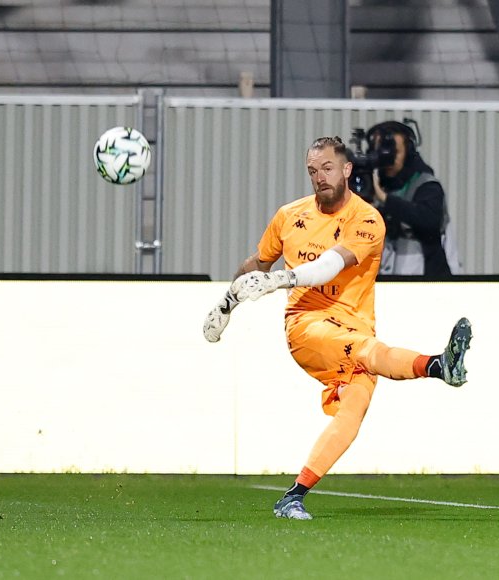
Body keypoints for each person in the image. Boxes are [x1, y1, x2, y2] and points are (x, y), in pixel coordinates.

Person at [202, 136, 473, 520]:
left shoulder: (367, 219)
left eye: (327, 168)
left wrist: (284, 279)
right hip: (307, 325)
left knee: (353, 411)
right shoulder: (289, 216)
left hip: (354, 325)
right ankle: (439, 365)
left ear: (346, 170)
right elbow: (256, 266)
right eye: (312, 171)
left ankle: (292, 497)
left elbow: (331, 264)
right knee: (367, 352)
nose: (319, 177)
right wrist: (226, 303)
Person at [367, 121, 461, 277]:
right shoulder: (374, 185)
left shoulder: (426, 185)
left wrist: (385, 200)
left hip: (427, 280)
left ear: (408, 152)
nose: (387, 159)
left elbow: (427, 219)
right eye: (381, 152)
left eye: (393, 152)